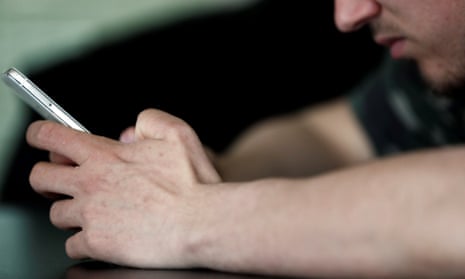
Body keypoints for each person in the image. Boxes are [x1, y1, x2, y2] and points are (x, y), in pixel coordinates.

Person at [25, 0, 465, 277]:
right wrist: (205, 175)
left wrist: (191, 216)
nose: (346, 15)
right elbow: (326, 136)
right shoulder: (431, 77)